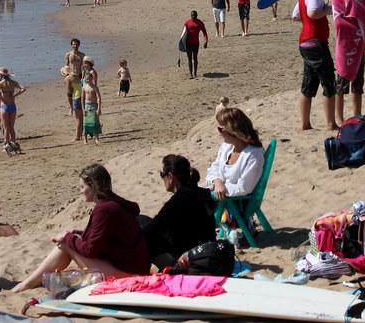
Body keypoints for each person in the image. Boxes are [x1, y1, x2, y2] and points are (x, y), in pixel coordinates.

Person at [11, 164, 150, 291]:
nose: (80, 191)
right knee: (71, 239)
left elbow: (90, 250)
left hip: (129, 274)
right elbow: (102, 236)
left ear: (94, 186)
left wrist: (67, 237)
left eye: (82, 187)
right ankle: (29, 283)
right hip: (133, 267)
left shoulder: (104, 209)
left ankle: (27, 284)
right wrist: (76, 234)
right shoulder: (113, 203)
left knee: (66, 245)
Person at [140, 155, 216, 269]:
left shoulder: (177, 202)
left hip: (184, 262)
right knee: (142, 220)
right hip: (207, 253)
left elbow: (153, 229)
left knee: (141, 229)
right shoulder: (202, 193)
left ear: (170, 177)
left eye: (162, 175)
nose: (162, 179)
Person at [292, 0, 337, 131]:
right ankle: (331, 123)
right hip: (316, 43)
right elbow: (311, 12)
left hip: (304, 42)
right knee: (329, 82)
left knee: (309, 84)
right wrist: (326, 10)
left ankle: (305, 124)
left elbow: (295, 16)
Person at [205, 108, 265, 200]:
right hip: (216, 189)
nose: (219, 134)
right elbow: (214, 168)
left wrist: (221, 189)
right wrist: (218, 182)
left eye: (221, 129)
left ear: (232, 131)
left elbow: (244, 188)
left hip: (231, 201)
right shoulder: (227, 147)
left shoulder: (253, 155)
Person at [0, 68, 26, 148]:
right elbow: (23, 88)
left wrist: (2, 99)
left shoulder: (0, 83)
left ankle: (6, 145)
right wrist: (14, 96)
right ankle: (13, 144)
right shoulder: (13, 83)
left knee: (5, 128)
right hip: (12, 106)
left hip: (4, 106)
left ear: (1, 75)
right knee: (12, 128)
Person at [179, 10, 208, 79]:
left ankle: (195, 73)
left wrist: (206, 41)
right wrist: (181, 44)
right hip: (188, 43)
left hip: (196, 43)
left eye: (195, 15)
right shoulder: (187, 23)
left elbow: (204, 32)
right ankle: (190, 74)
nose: (193, 17)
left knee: (195, 58)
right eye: (192, 15)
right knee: (189, 59)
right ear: (190, 15)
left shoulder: (200, 23)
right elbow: (183, 34)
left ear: (197, 15)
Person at [82, 58, 102, 145]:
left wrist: (99, 108)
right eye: (86, 79)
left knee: (95, 121)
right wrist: (83, 108)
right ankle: (85, 139)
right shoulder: (84, 87)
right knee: (86, 122)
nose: (88, 80)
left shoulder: (95, 87)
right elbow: (82, 99)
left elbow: (99, 98)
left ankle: (97, 138)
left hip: (94, 105)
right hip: (87, 105)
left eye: (89, 79)